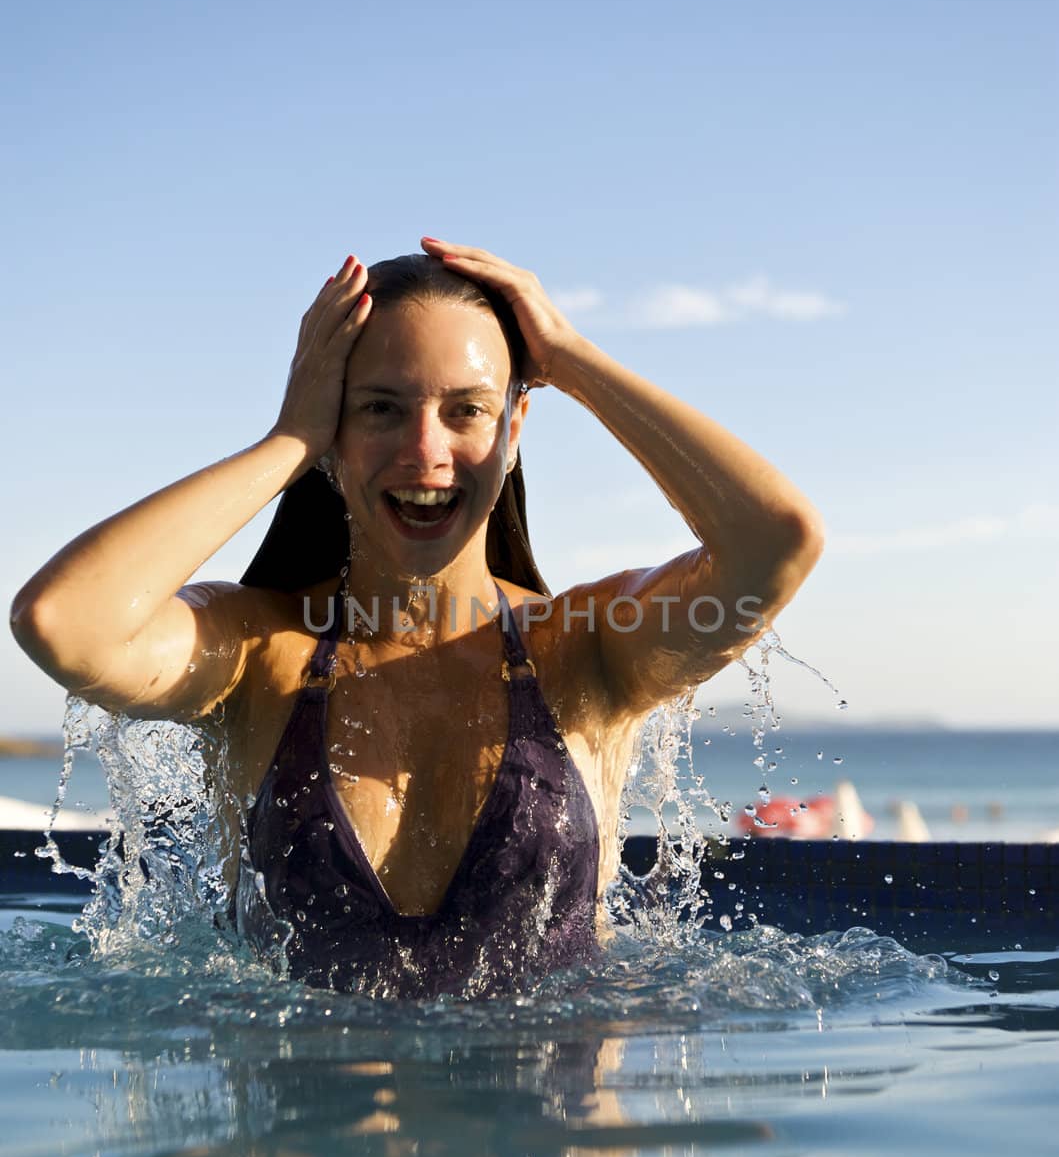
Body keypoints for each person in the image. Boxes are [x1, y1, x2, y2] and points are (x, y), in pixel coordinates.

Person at [10, 237, 825, 995]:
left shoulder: (586, 653)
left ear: (514, 427)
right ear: (334, 434)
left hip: (553, 1146)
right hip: (296, 1146)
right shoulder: (257, 655)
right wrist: (287, 439)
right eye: (379, 410)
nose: (425, 451)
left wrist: (571, 361)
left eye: (467, 410)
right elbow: (63, 621)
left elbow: (773, 540)